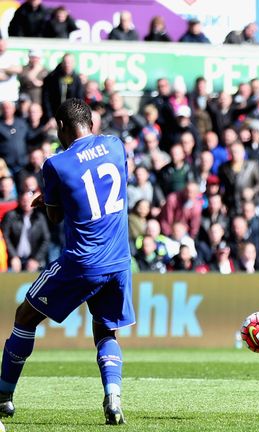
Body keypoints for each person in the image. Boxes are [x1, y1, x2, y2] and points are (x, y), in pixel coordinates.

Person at [0, 99, 134, 424]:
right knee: (105, 329)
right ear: (91, 122)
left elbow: (57, 217)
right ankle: (113, 399)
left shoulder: (56, 164)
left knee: (25, 315)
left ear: (61, 126)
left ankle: (3, 395)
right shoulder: (116, 147)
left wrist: (49, 198)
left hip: (82, 261)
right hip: (118, 260)